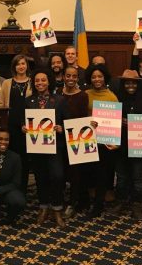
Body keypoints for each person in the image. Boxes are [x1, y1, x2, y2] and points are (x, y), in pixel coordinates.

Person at [23, 69, 68, 226]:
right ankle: (43, 207)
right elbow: (25, 121)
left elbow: (67, 122)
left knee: (57, 176)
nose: (40, 83)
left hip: (55, 146)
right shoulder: (29, 101)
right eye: (37, 81)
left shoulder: (60, 100)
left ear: (48, 82)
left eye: (43, 80)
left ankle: (57, 209)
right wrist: (25, 128)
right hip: (37, 146)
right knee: (40, 177)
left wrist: (61, 128)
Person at [84, 64, 121, 217]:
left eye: (100, 76)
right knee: (88, 173)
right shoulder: (85, 94)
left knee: (102, 174)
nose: (97, 79)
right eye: (94, 77)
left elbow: (115, 122)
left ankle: (98, 205)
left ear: (105, 77)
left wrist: (115, 142)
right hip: (87, 139)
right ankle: (86, 201)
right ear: (90, 79)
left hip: (104, 142)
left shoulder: (112, 97)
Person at [114, 70, 142, 219]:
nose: (130, 85)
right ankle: (121, 202)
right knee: (121, 178)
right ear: (123, 85)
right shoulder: (116, 101)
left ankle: (137, 205)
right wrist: (120, 121)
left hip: (139, 146)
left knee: (137, 179)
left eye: (133, 83)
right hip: (120, 146)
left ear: (138, 84)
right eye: (127, 83)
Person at [0, 54, 32, 192]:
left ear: (26, 66)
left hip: (28, 127)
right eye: (18, 64)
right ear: (14, 67)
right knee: (12, 159)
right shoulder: (7, 83)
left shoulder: (33, 82)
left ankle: (23, 190)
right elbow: (1, 104)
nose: (21, 66)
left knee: (25, 160)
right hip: (11, 126)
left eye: (23, 63)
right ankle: (11, 189)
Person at [61, 66, 89, 218]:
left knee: (76, 173)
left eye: (74, 76)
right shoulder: (58, 94)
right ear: (64, 77)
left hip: (77, 138)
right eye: (68, 76)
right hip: (60, 139)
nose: (70, 79)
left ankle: (73, 203)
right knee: (63, 171)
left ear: (78, 78)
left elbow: (84, 118)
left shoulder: (83, 96)